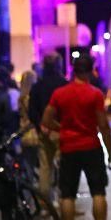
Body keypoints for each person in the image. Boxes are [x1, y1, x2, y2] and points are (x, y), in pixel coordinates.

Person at [42, 55, 111, 220]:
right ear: (91, 71)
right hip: (91, 146)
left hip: (68, 148)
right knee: (98, 192)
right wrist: (109, 153)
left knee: (67, 194)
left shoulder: (59, 93)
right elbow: (103, 125)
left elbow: (46, 120)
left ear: (74, 70)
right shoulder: (95, 94)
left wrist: (63, 129)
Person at [27, 53, 68, 201]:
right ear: (59, 65)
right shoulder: (64, 84)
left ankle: (45, 203)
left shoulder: (37, 86)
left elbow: (32, 111)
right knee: (65, 167)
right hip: (62, 130)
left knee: (45, 168)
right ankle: (65, 201)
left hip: (44, 131)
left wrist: (41, 125)